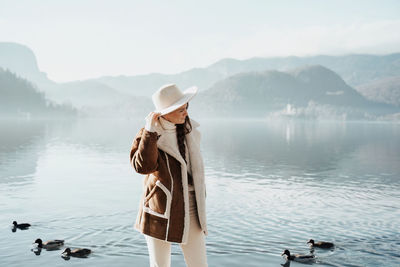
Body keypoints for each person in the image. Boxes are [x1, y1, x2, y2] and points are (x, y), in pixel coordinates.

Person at [130, 84, 208, 267]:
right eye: (181, 109)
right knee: (160, 265)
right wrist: (149, 132)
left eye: (186, 108)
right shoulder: (148, 134)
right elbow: (143, 166)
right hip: (159, 211)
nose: (186, 113)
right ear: (166, 112)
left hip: (191, 208)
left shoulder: (190, 131)